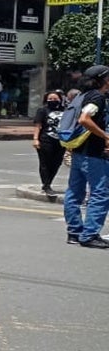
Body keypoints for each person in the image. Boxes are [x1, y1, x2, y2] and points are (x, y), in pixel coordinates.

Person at [64, 66, 109, 248]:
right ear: (102, 79)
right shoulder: (97, 97)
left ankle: (74, 232)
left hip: (78, 152)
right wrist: (105, 136)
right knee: (100, 193)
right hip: (93, 154)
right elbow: (84, 119)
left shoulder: (82, 95)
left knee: (74, 192)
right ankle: (89, 234)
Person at [31, 90, 65, 198]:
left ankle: (49, 181)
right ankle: (46, 185)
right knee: (45, 163)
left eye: (55, 99)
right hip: (46, 139)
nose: (53, 101)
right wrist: (36, 139)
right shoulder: (42, 110)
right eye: (50, 99)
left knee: (56, 163)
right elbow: (38, 125)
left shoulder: (65, 110)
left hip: (61, 141)